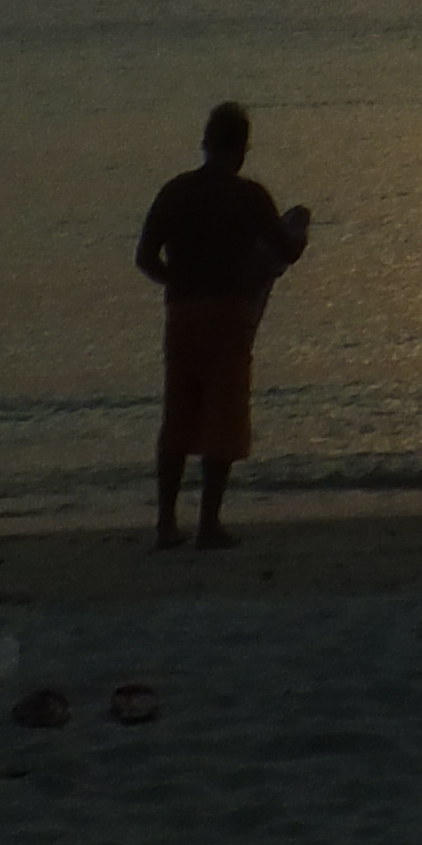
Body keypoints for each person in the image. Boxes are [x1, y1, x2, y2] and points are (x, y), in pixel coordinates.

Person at [136, 102, 311, 549]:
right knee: (223, 417)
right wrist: (300, 234)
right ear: (242, 148)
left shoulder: (176, 192)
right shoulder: (249, 196)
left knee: (178, 415)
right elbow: (284, 251)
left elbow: (145, 258)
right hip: (230, 313)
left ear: (206, 143)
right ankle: (208, 524)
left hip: (183, 313)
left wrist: (177, 280)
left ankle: (165, 523)